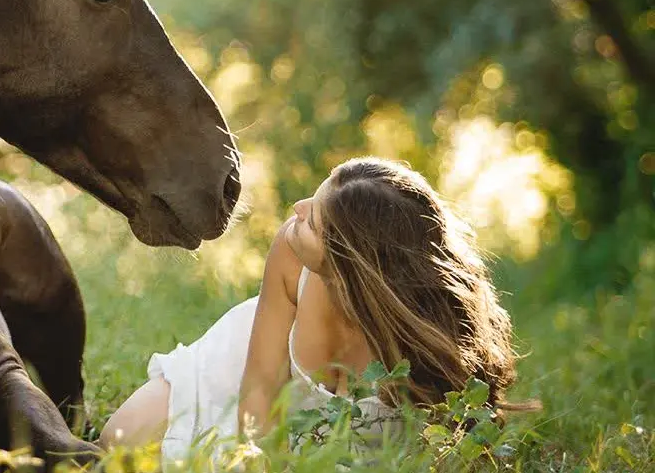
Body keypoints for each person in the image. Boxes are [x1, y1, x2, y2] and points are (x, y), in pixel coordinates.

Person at [100, 157, 529, 461]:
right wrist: (259, 459)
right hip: (248, 367)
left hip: (356, 440)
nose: (296, 211)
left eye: (313, 219)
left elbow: (462, 434)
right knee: (116, 440)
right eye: (314, 196)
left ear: (349, 267)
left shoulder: (425, 335)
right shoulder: (290, 249)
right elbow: (262, 386)